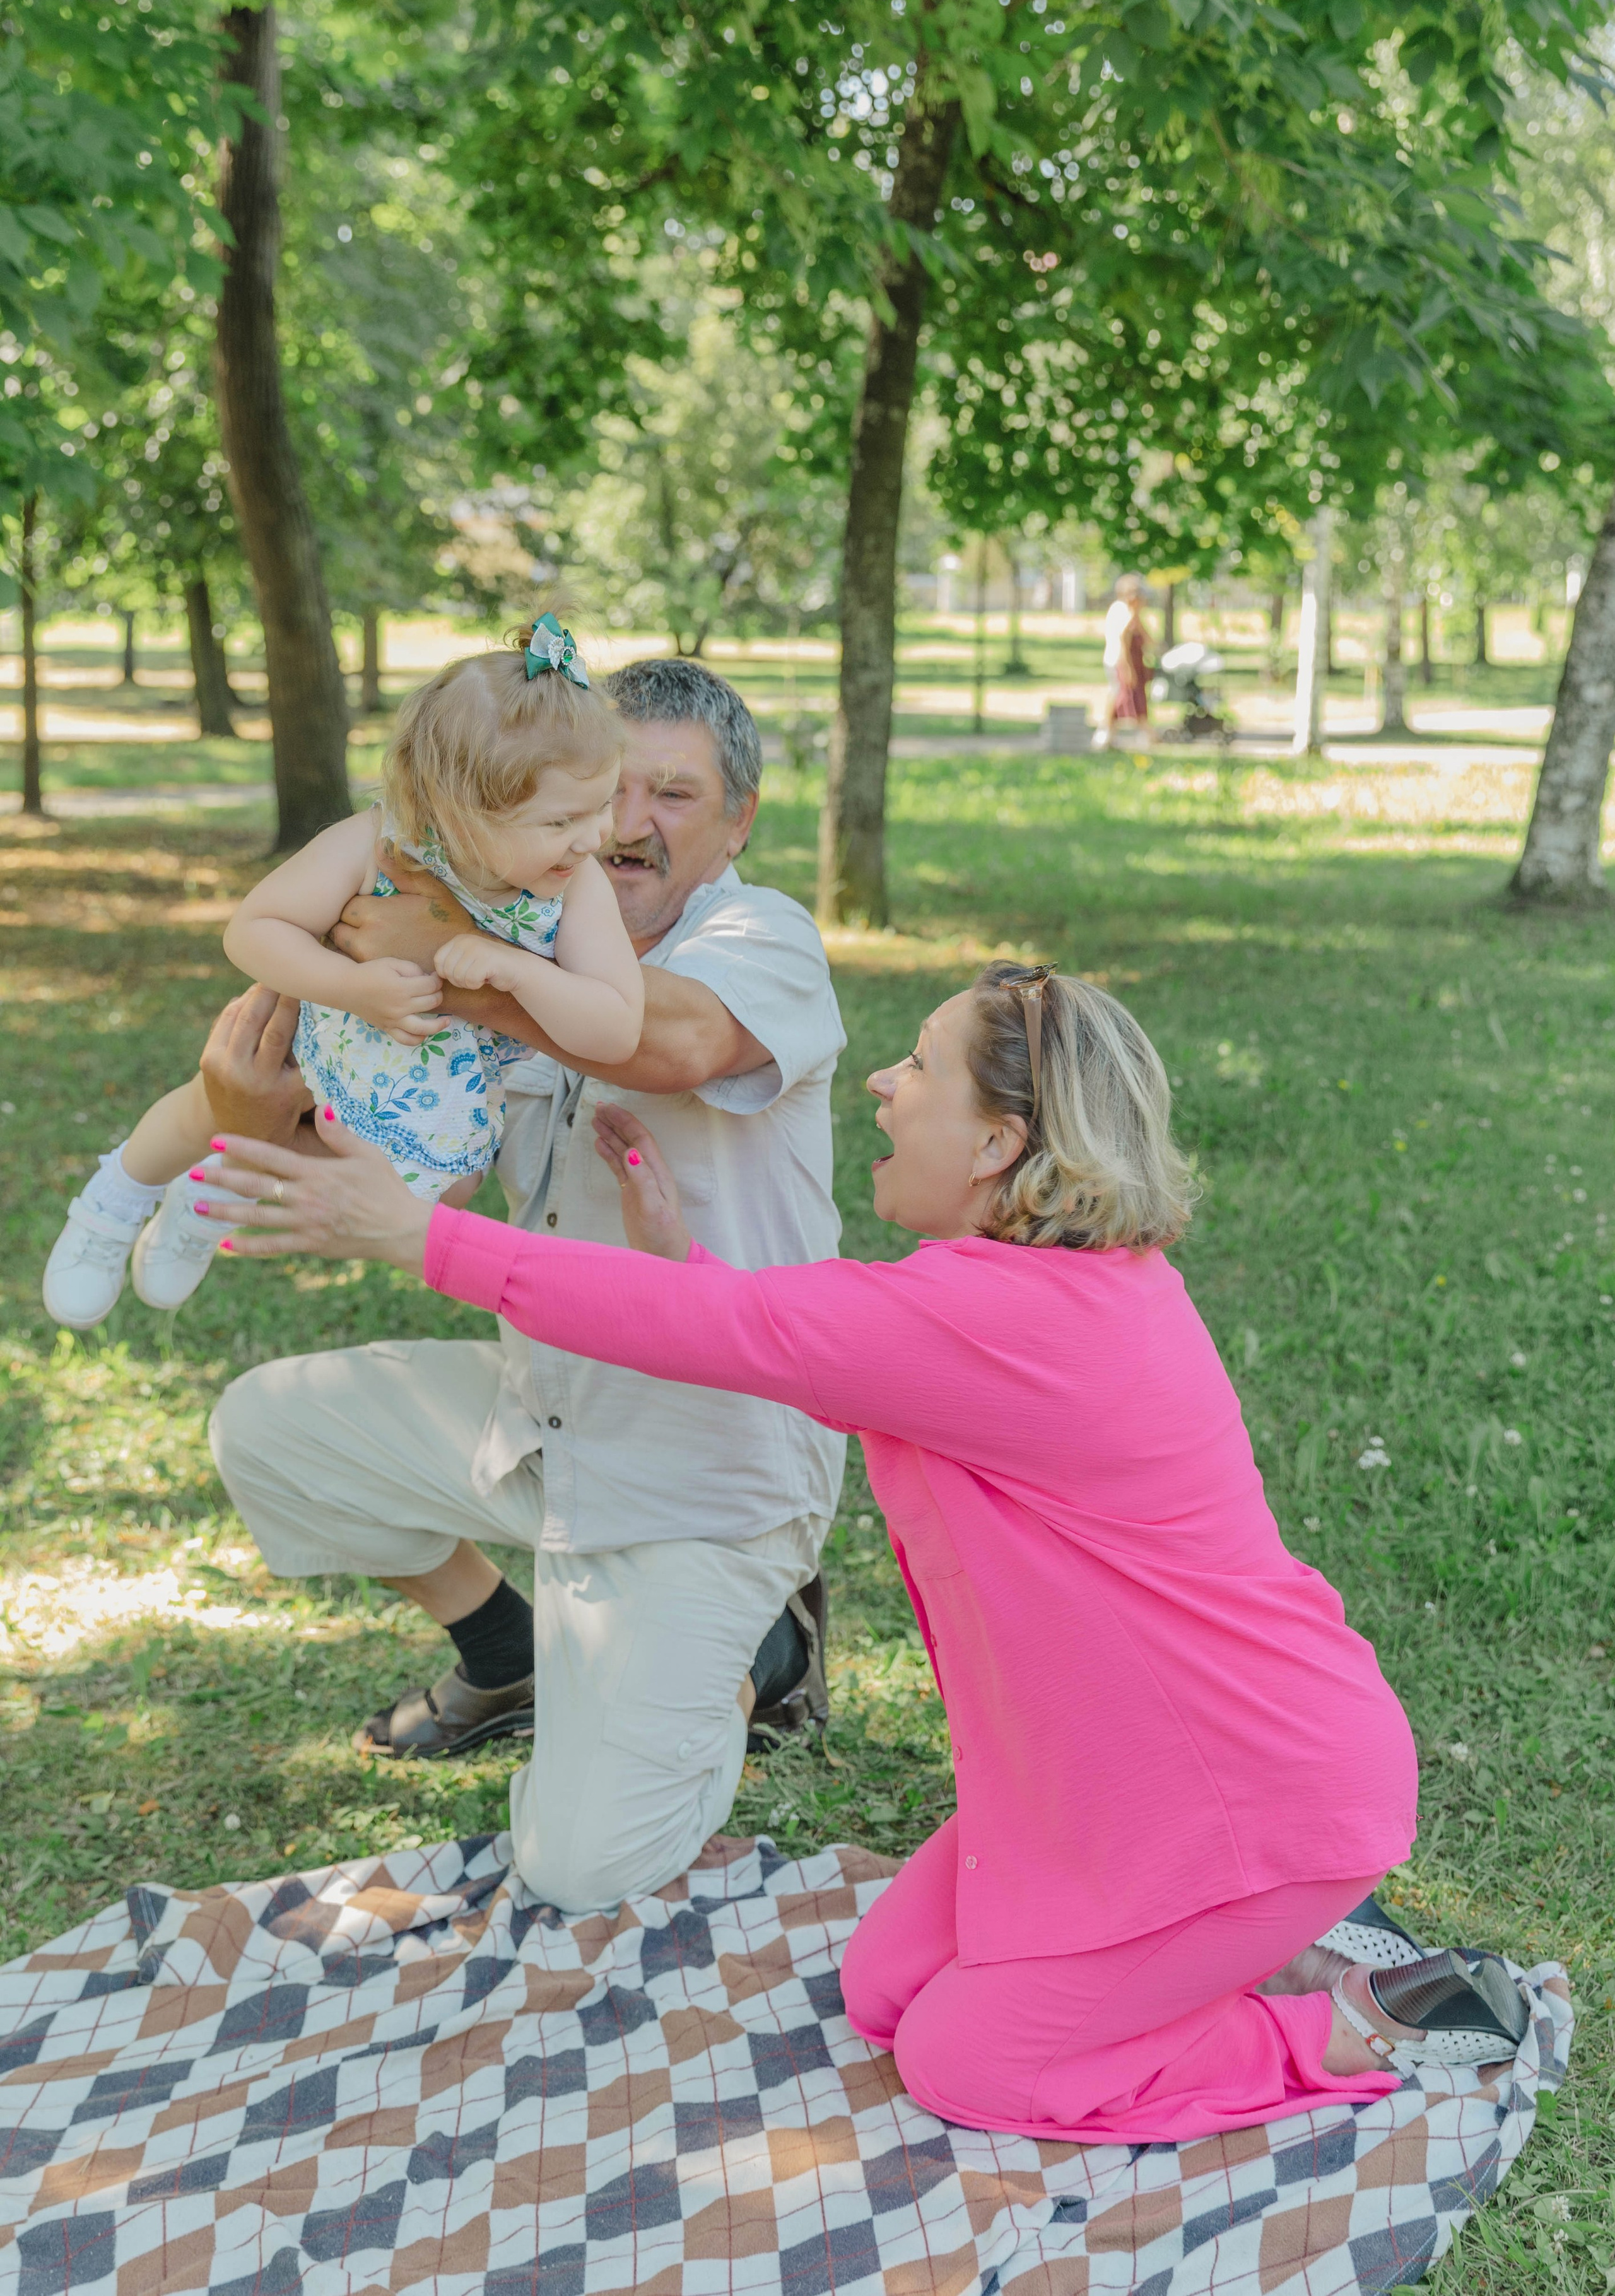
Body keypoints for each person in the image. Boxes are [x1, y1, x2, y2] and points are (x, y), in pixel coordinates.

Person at [191, 960, 1529, 2141]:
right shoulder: (1027, 1296)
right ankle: (1255, 1943)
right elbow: (784, 1333)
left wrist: (414, 1232)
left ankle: (1363, 2018)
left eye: (919, 1067)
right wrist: (681, 1261)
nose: (884, 1086)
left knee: (965, 2060)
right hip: (1103, 1797)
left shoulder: (1007, 1317)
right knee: (886, 1990)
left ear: (999, 1142)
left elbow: (772, 1341)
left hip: (1245, 1798)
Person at [200, 659, 849, 1913]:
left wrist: (445, 965)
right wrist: (249, 1102)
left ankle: (755, 1652)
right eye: (616, 790)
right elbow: (355, 1145)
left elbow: (668, 1039)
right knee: (269, 1433)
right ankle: (507, 1651)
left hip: (710, 1465)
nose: (628, 826)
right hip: (546, 1408)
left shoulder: (761, 937)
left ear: (738, 821)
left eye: (677, 793)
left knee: (578, 1866)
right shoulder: (507, 926)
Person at [42, 614, 642, 1328]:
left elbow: (615, 1028)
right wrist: (351, 986)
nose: (597, 835)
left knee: (440, 1192)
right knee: (215, 1103)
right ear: (456, 813)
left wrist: (516, 968)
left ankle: (204, 1200)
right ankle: (114, 1202)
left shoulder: (577, 885)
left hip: (428, 1101)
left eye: (603, 803)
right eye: (560, 821)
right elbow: (253, 929)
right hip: (311, 1043)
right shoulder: (374, 844)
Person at [1101, 572, 1153, 743]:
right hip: (1119, 661)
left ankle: (1113, 734)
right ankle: (1106, 733)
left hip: (1128, 662)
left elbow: (1146, 638)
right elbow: (1123, 640)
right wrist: (1127, 668)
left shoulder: (1131, 612)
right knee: (1119, 696)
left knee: (1125, 696)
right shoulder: (1121, 610)